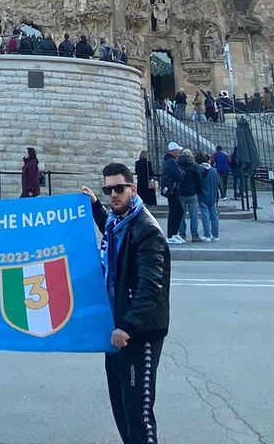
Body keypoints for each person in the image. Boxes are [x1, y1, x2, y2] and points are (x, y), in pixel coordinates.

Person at [82, 164, 170, 444]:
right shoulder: (120, 223)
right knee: (121, 407)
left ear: (133, 188)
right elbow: (109, 228)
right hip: (118, 329)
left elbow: (149, 286)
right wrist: (96, 207)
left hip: (138, 333)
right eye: (108, 190)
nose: (114, 195)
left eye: (119, 188)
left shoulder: (147, 231)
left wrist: (128, 327)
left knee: (138, 413)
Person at [177, 148, 203, 243]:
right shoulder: (194, 166)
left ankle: (182, 234)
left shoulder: (178, 165)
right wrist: (198, 191)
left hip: (180, 193)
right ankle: (194, 235)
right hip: (192, 193)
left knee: (181, 216)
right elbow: (199, 181)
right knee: (194, 216)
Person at [161, 142, 184, 243]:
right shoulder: (172, 162)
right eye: (178, 150)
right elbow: (180, 176)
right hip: (172, 189)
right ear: (174, 151)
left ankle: (174, 232)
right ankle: (171, 235)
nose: (179, 152)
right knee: (175, 211)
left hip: (172, 189)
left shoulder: (170, 161)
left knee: (178, 210)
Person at [196, 152, 221, 242]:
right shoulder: (214, 170)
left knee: (205, 215)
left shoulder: (199, 169)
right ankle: (216, 235)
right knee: (214, 215)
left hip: (203, 194)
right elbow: (218, 182)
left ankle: (207, 234)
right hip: (213, 195)